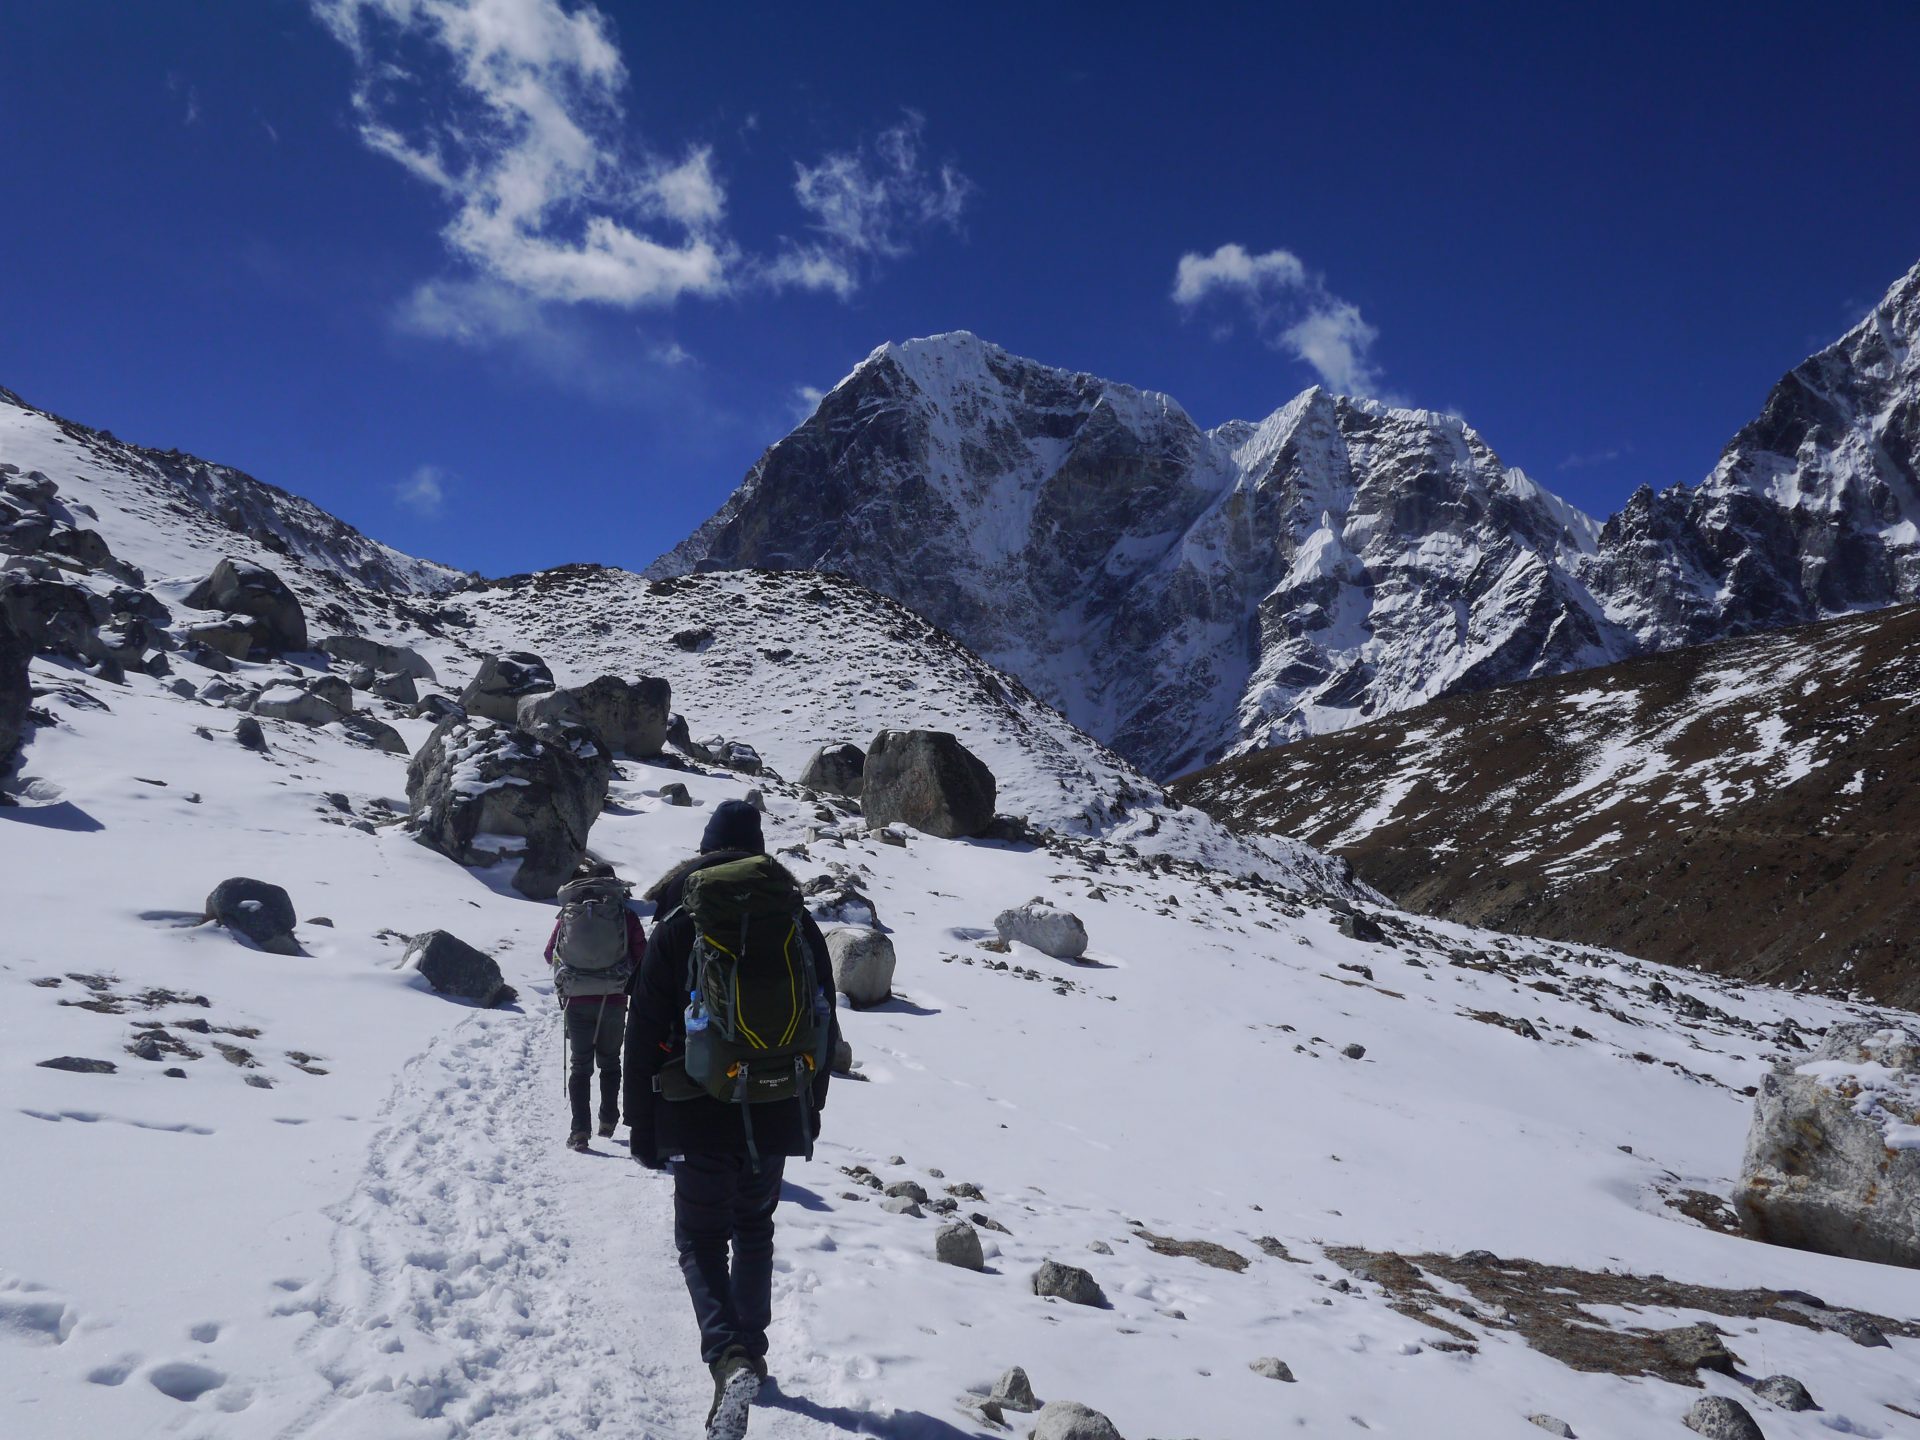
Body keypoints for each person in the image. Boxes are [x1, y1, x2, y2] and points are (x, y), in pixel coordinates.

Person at [625, 798, 841, 1440]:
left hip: (693, 1106)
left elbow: (642, 1026)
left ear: (707, 847)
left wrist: (640, 1121)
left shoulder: (681, 917)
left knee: (698, 1238)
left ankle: (727, 1356)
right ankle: (754, 1349)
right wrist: (813, 1102)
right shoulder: (793, 919)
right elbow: (826, 1020)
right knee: (754, 1227)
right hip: (776, 1104)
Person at [546, 859, 647, 1153]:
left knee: (580, 1067)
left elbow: (548, 952)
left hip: (577, 999)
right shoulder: (625, 916)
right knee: (610, 1061)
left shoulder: (569, 915)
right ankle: (608, 1120)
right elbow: (642, 954)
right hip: (613, 997)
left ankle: (579, 1132)